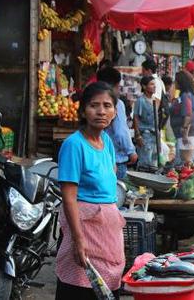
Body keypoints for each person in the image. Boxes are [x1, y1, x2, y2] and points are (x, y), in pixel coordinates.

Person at [56, 82, 125, 299]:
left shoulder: (106, 142)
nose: (101, 111)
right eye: (94, 105)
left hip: (107, 233)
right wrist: (78, 240)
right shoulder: (73, 145)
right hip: (84, 230)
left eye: (107, 105)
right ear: (83, 110)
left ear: (115, 111)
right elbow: (68, 198)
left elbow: (110, 177)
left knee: (105, 289)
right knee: (79, 287)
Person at [97, 67, 137, 179]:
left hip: (99, 158)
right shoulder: (116, 103)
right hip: (116, 160)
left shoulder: (92, 102)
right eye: (118, 87)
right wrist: (131, 151)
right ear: (114, 86)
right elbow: (121, 132)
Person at [170, 70, 194, 164]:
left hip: (187, 135)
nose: (175, 83)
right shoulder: (185, 95)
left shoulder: (185, 96)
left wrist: (185, 134)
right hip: (185, 134)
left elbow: (188, 115)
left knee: (185, 164)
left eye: (176, 81)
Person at [133, 76, 159, 170]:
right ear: (144, 86)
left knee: (154, 162)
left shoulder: (154, 100)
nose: (154, 86)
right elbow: (135, 118)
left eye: (154, 84)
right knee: (145, 163)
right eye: (151, 84)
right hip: (145, 135)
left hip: (155, 135)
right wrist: (138, 135)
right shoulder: (141, 101)